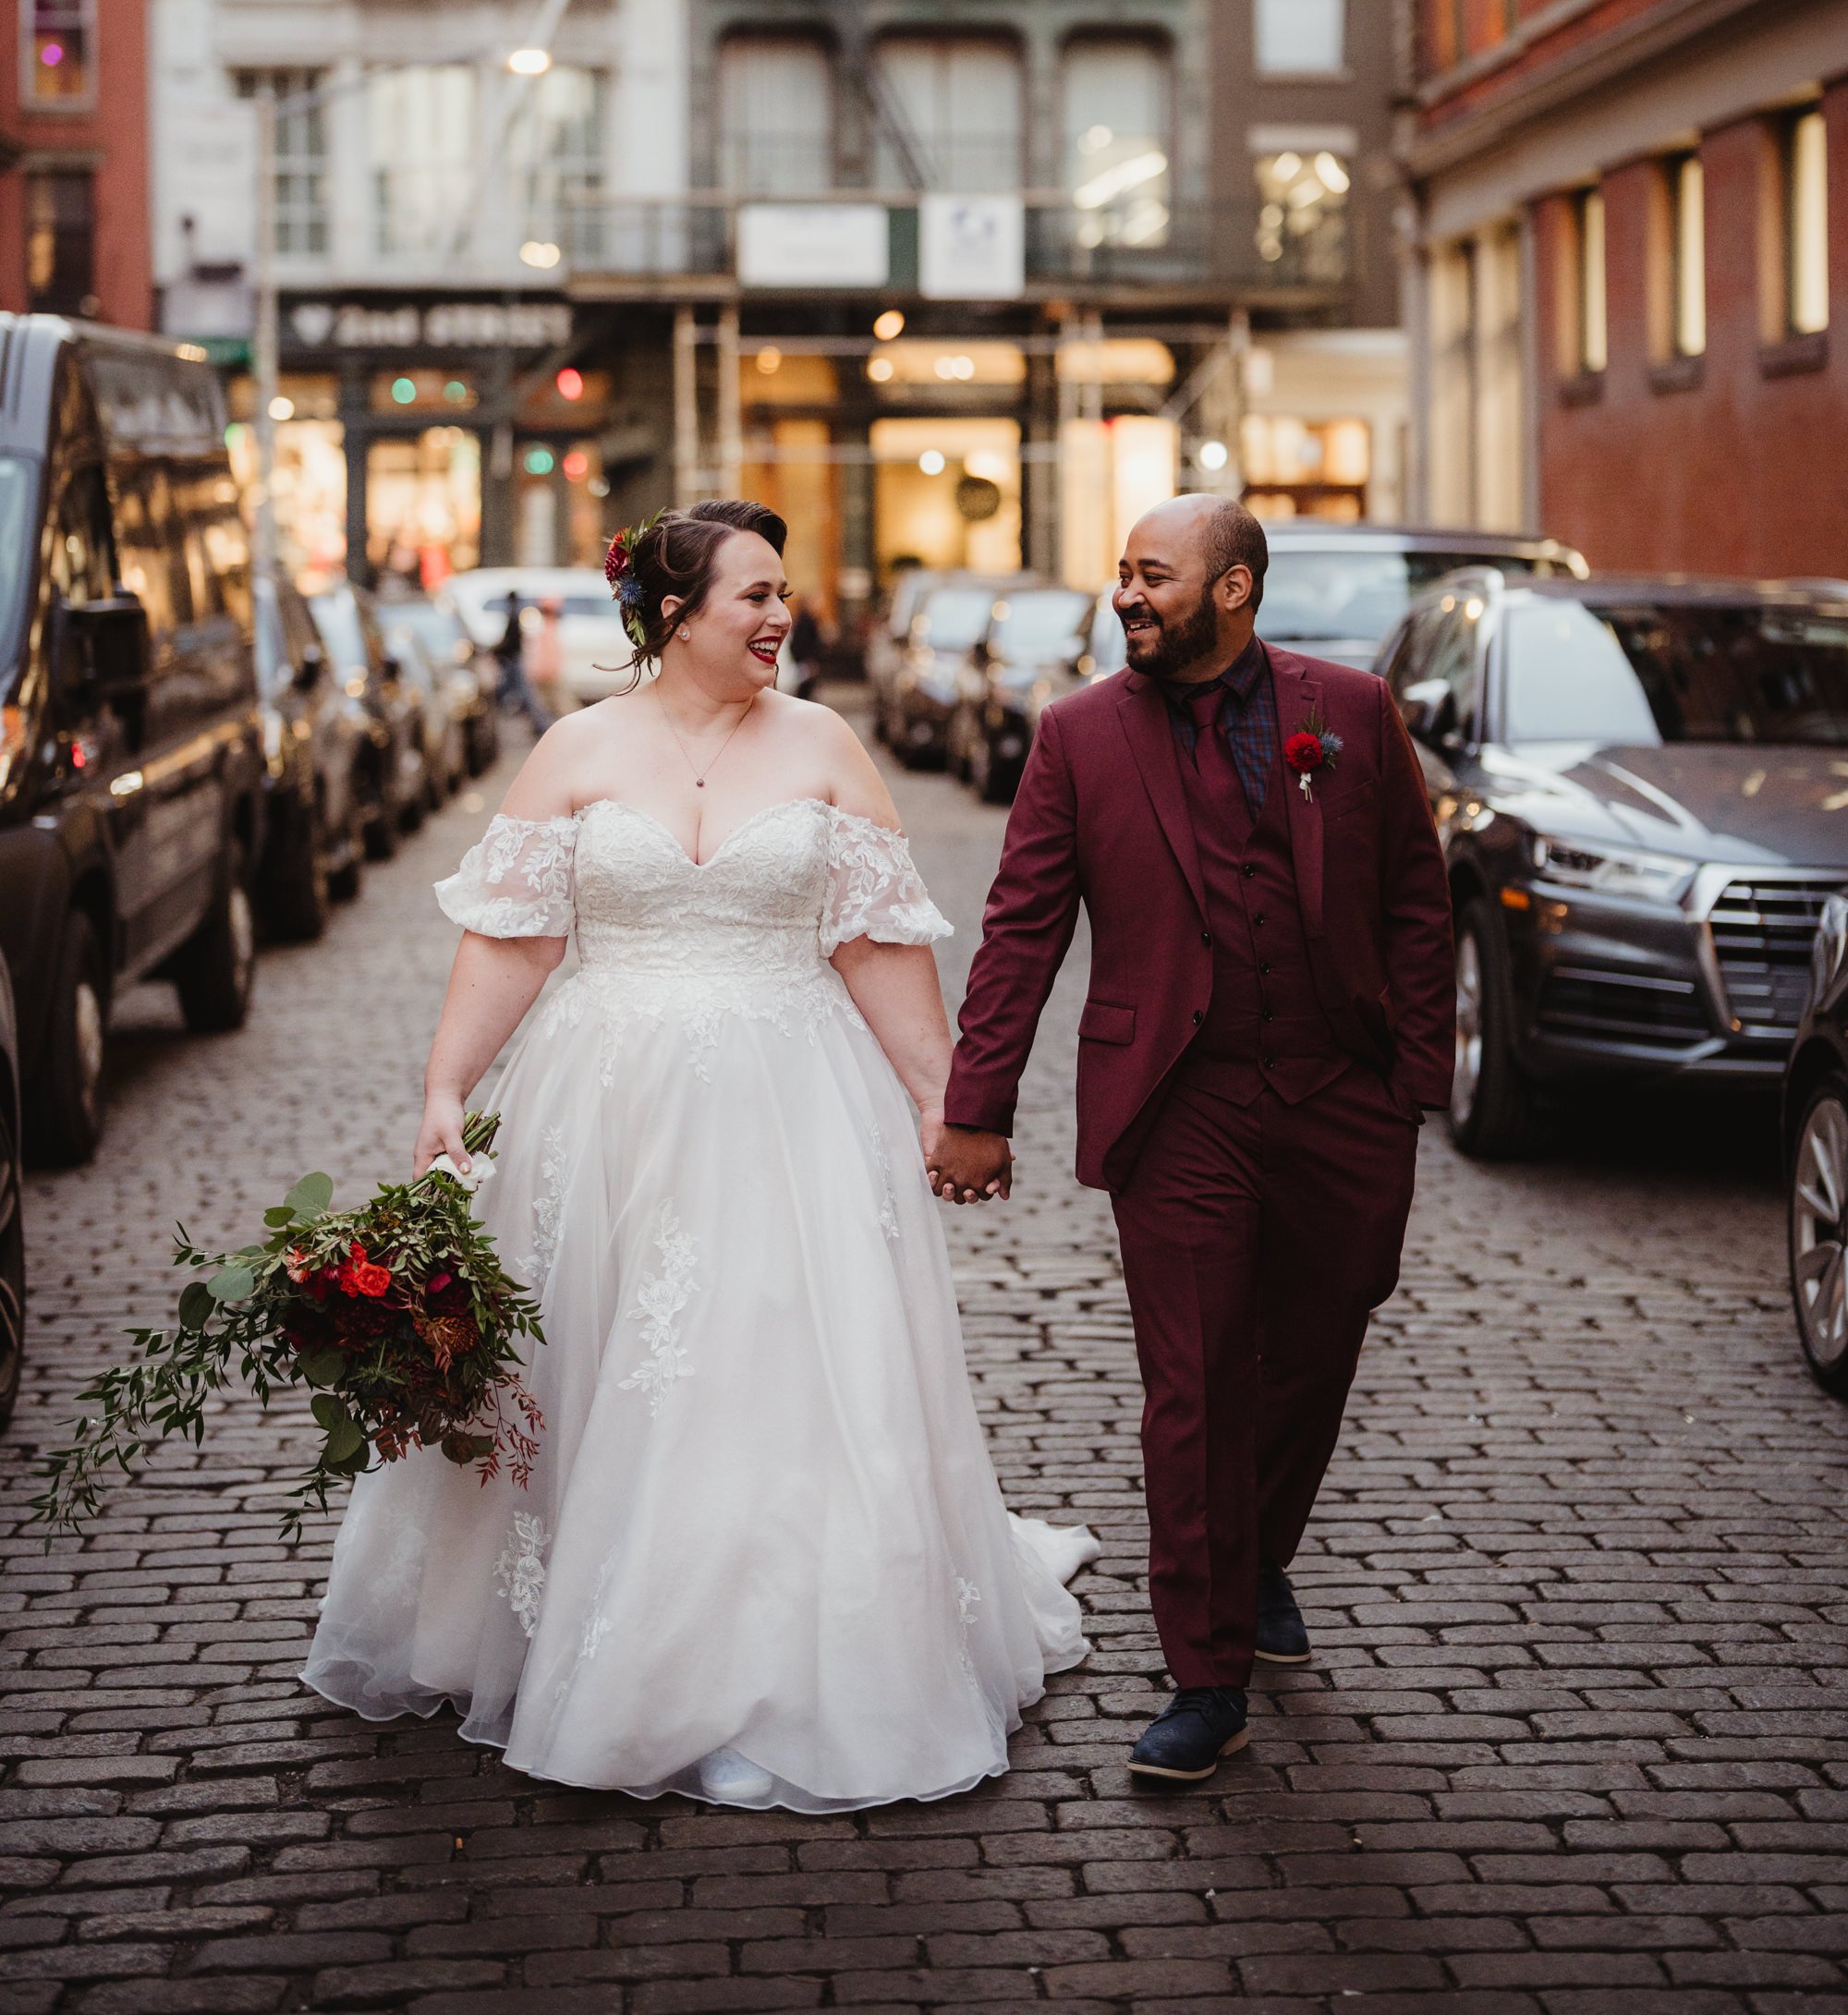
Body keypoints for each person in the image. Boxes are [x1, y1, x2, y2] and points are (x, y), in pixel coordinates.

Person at [305, 500, 1092, 1808]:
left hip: (793, 1110)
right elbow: (513, 941)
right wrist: (448, 1084)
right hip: (600, 1109)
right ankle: (575, 1629)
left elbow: (879, 950)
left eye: (783, 592)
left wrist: (945, 1106)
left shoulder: (829, 746)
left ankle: (784, 1649)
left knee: (774, 1363)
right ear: (674, 613)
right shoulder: (575, 749)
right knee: (604, 1360)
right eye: (758, 595)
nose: (784, 615)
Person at [927, 495, 1453, 1786]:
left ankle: (1257, 1548)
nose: (1127, 596)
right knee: (1198, 1380)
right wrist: (976, 1105)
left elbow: (1414, 903)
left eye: (1153, 576)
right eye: (1122, 576)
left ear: (1234, 590)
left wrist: (1411, 1088)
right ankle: (1205, 1675)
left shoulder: (1353, 712)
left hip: (1340, 1090)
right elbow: (1023, 929)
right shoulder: (1078, 737)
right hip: (1180, 1101)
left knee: (1322, 1340)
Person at [492, 590, 550, 734]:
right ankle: (539, 724)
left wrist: (496, 650)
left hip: (514, 659)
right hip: (513, 658)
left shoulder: (513, 615)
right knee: (520, 692)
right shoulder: (516, 613)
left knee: (525, 694)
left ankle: (542, 724)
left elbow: (511, 640)